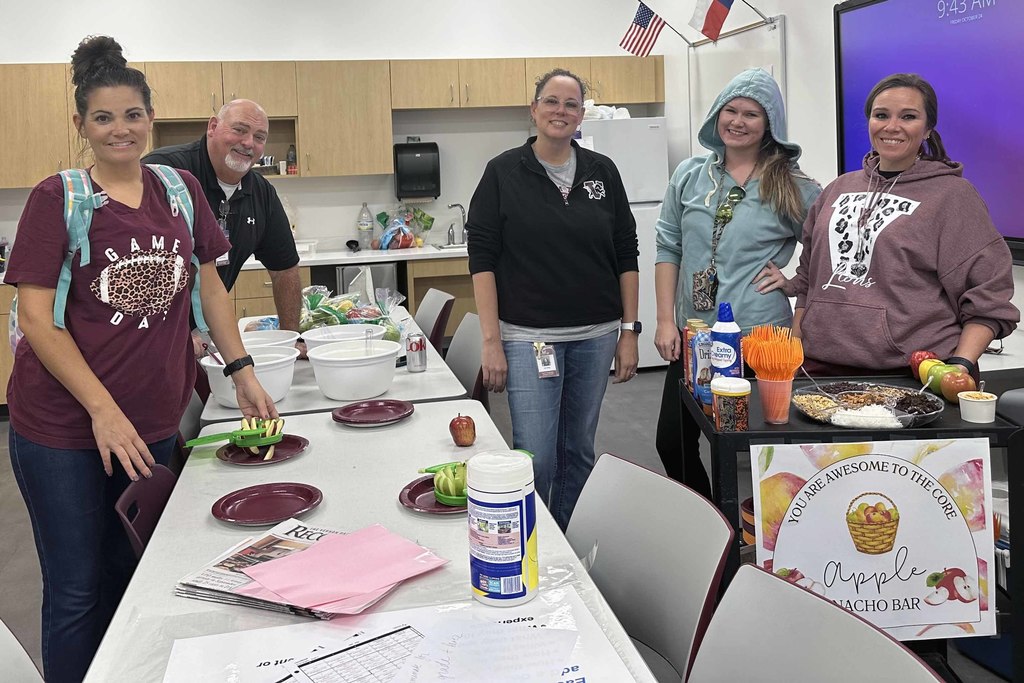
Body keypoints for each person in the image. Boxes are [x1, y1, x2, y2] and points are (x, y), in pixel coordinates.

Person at [5, 36, 276, 683]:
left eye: (132, 115)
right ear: (81, 125)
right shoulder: (59, 198)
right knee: (78, 588)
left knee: (139, 575)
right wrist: (101, 409)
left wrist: (241, 369)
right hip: (64, 429)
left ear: (150, 118)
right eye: (103, 117)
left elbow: (210, 286)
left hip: (152, 424)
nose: (119, 129)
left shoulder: (178, 190)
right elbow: (36, 320)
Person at [467, 68, 640, 531]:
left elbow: (626, 253)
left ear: (582, 115)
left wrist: (629, 331)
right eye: (551, 101)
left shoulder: (602, 171)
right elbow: (481, 259)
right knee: (536, 455)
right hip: (528, 338)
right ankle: (530, 543)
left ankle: (570, 547)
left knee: (579, 449)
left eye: (570, 104)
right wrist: (491, 341)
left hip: (596, 334)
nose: (560, 111)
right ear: (534, 109)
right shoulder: (503, 172)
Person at [654, 68, 820, 497]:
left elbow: (829, 249)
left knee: (771, 448)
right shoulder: (690, 176)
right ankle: (713, 528)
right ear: (716, 115)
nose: (738, 121)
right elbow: (668, 247)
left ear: (770, 126)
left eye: (751, 114)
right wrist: (664, 322)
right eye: (731, 110)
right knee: (673, 441)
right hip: (696, 338)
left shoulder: (793, 185)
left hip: (762, 337)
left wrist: (793, 283)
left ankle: (770, 538)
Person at [791, 73, 1018, 379]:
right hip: (820, 366)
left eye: (908, 116)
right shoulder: (837, 189)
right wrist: (795, 346)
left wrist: (960, 365)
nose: (891, 126)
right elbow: (809, 277)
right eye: (881, 115)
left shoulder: (953, 197)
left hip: (911, 373)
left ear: (927, 129)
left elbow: (988, 293)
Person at [144, 99, 302, 334]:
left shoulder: (261, 193)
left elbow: (285, 270)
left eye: (259, 137)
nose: (248, 143)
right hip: (148, 331)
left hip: (207, 331)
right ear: (213, 126)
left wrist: (292, 338)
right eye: (239, 130)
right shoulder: (164, 173)